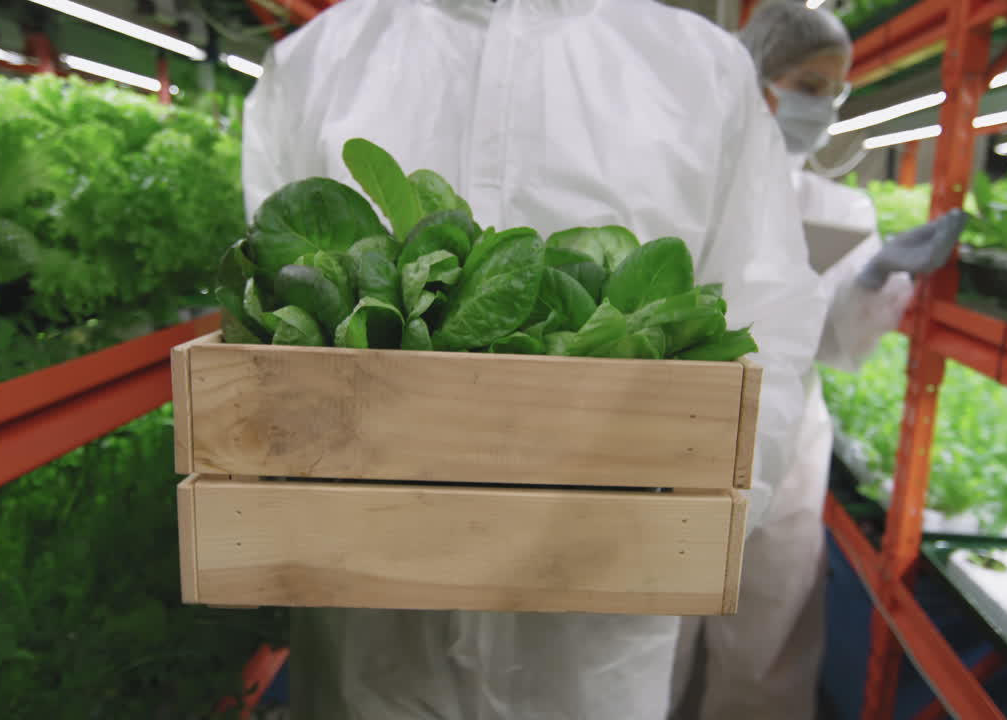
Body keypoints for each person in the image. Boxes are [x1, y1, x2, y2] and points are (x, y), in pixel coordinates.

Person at [241, 0, 827, 718]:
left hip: (594, 639)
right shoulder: (317, 63)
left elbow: (770, 319)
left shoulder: (700, 72)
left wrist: (683, 526)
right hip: (369, 626)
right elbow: (272, 323)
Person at [668, 3, 967, 719]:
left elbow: (833, 341)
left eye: (834, 90)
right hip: (682, 419)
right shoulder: (687, 173)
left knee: (769, 626)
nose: (823, 106)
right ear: (756, 76)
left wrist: (873, 280)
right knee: (658, 620)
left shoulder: (837, 207)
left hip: (790, 430)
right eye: (808, 85)